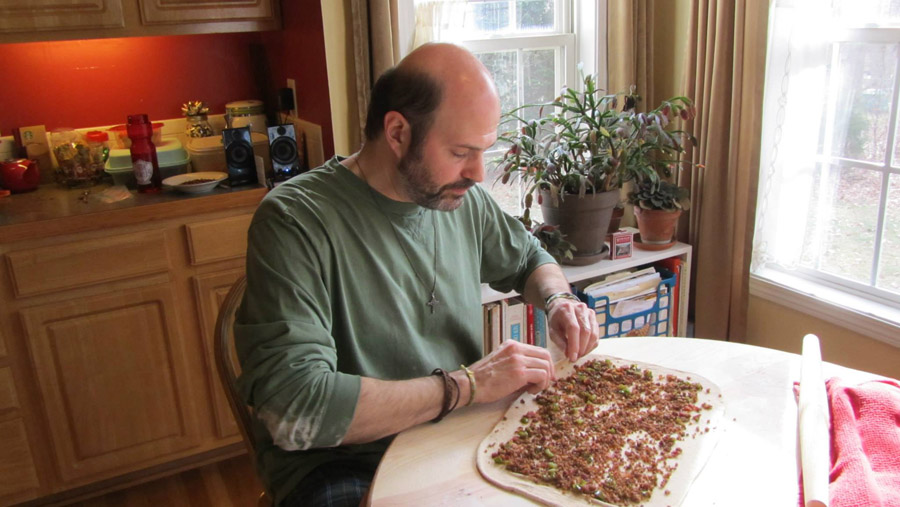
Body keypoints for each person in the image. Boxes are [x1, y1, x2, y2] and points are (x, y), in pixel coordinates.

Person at [234, 42, 601, 507]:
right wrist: (467, 385)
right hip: (345, 462)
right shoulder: (295, 220)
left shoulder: (459, 199)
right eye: (461, 152)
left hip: (459, 433)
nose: (479, 173)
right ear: (397, 132)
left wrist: (559, 300)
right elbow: (295, 408)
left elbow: (530, 258)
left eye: (484, 151)